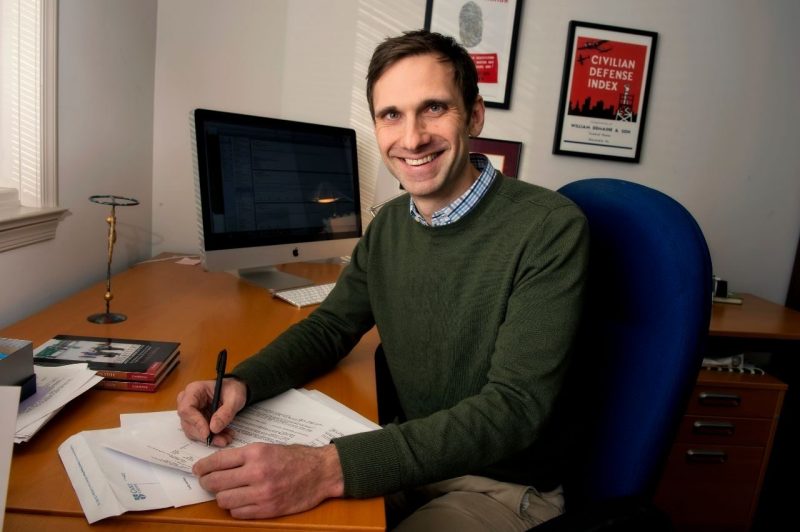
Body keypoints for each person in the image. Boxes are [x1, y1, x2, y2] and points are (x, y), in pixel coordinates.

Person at [177, 29, 589, 531]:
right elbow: (330, 328)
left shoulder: (548, 227)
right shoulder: (391, 223)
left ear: (475, 114)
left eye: (434, 108)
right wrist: (244, 382)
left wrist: (328, 468)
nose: (412, 138)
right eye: (391, 114)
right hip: (408, 460)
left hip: (498, 486)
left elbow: (514, 409)